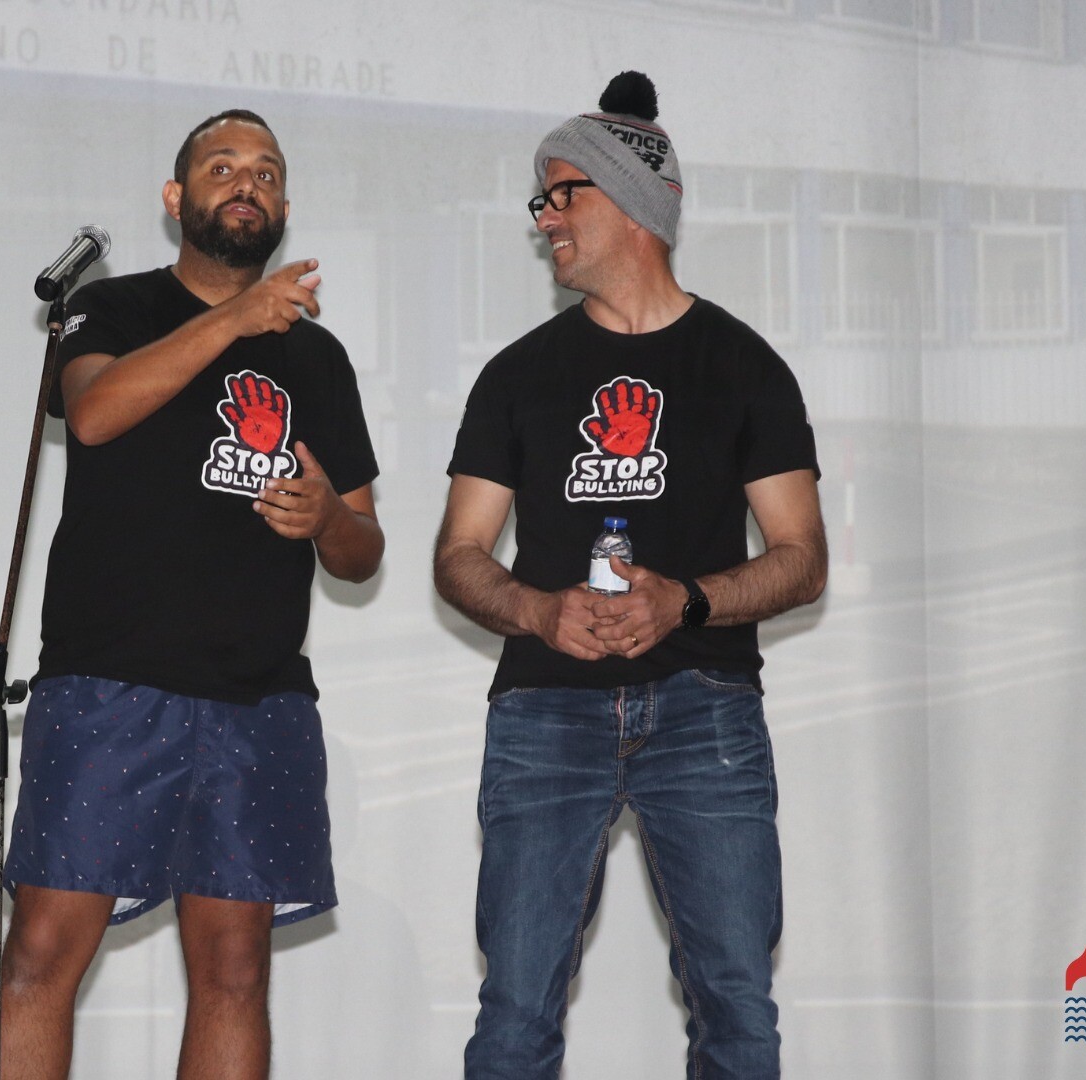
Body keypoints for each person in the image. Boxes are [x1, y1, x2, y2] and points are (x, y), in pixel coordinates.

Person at [433, 72, 827, 1080]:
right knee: (515, 1014)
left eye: (562, 193)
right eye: (541, 199)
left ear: (634, 200)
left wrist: (684, 599)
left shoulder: (744, 366)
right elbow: (459, 554)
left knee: (738, 1009)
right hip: (544, 711)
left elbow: (802, 557)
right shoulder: (516, 375)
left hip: (706, 711)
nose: (543, 218)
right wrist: (536, 609)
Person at [0, 109, 383, 1080]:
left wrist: (327, 515)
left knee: (235, 972)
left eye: (267, 173)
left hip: (260, 698)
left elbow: (362, 551)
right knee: (40, 955)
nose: (247, 183)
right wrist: (235, 320)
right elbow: (93, 412)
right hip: (107, 683)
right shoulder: (111, 307)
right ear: (176, 197)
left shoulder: (317, 358)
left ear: (283, 208)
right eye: (222, 166)